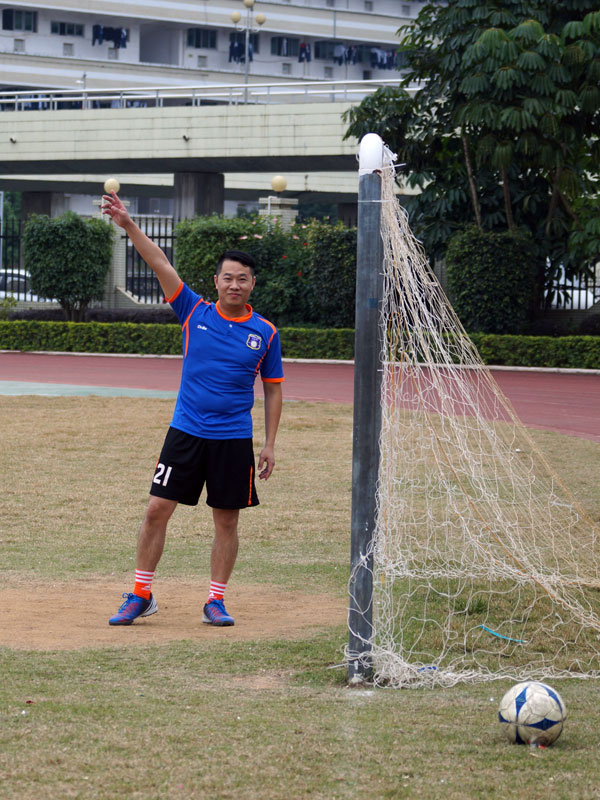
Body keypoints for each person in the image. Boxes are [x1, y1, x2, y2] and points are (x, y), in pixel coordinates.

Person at [102, 191, 284, 627]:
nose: (234, 284)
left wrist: (270, 443)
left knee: (226, 520)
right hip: (185, 431)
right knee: (156, 510)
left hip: (233, 439)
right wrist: (128, 224)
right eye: (228, 278)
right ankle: (141, 594)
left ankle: (215, 601)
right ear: (216, 281)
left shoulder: (265, 333)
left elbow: (273, 390)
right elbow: (159, 263)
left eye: (242, 279)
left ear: (252, 284)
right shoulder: (193, 311)